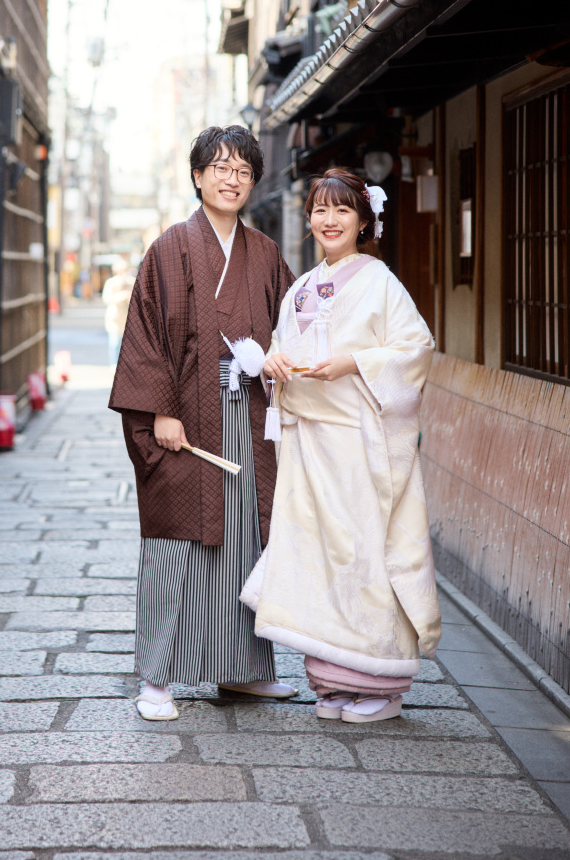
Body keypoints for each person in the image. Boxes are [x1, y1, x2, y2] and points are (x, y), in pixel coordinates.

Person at [241, 167, 441, 724]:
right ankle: (331, 680)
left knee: (362, 555)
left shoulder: (379, 281)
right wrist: (275, 360)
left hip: (357, 441)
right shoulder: (301, 287)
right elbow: (283, 345)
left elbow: (416, 346)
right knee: (316, 559)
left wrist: (353, 361)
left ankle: (380, 679)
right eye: (320, 211)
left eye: (342, 211)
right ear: (309, 220)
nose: (330, 221)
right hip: (309, 445)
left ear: (362, 221)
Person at [110, 125, 295, 721]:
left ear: (252, 182)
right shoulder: (169, 249)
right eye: (219, 167)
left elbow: (289, 329)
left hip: (249, 415)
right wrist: (160, 408)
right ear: (197, 176)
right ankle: (156, 679)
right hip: (187, 417)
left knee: (246, 536)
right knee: (176, 544)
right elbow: (146, 335)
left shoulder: (264, 254)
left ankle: (244, 672)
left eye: (242, 170)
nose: (230, 178)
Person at [102, 257, 135, 365]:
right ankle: (114, 365)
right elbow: (106, 299)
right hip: (115, 318)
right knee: (115, 343)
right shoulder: (111, 283)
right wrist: (121, 296)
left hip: (128, 318)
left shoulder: (131, 282)